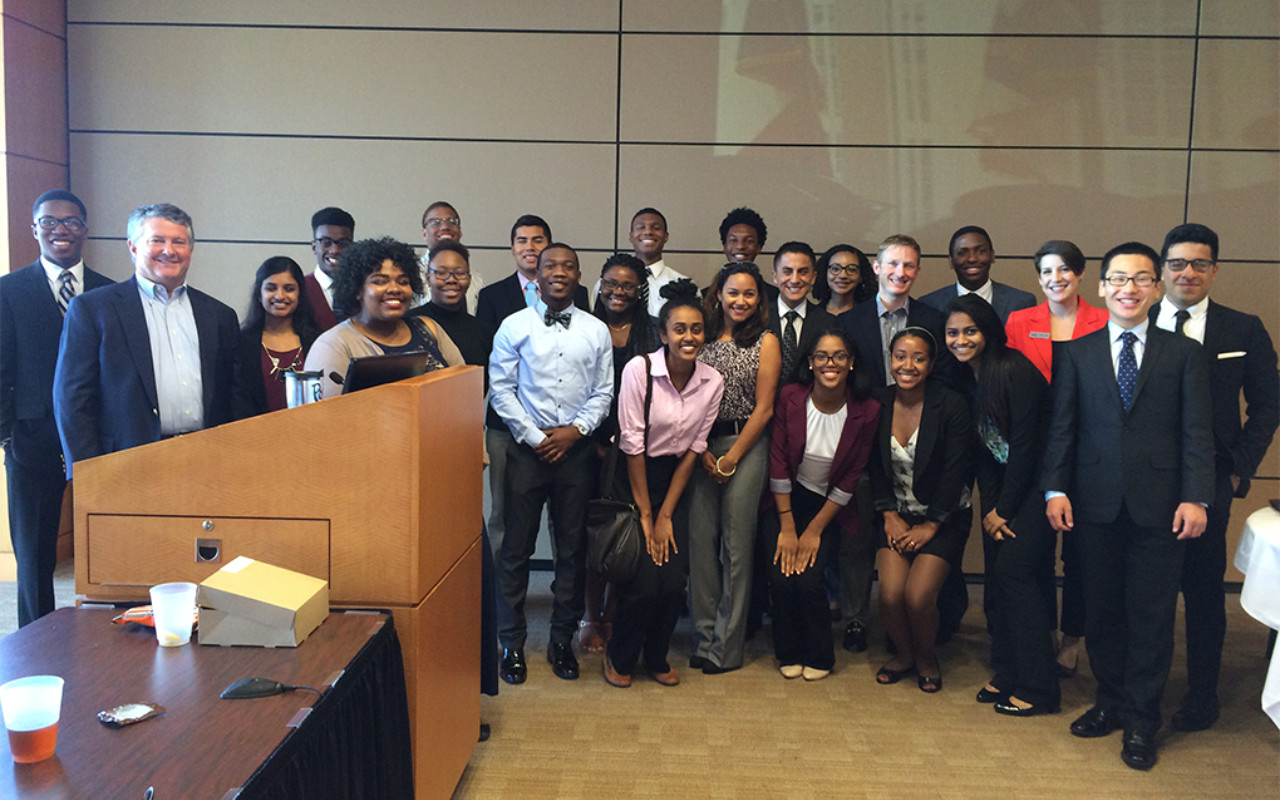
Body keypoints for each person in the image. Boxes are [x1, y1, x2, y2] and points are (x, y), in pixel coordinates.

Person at [1043, 241, 1213, 771]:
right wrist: (1055, 489)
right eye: (1118, 278)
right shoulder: (1077, 351)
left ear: (1156, 288)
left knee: (1152, 618)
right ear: (1101, 287)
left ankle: (1142, 721)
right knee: (1103, 614)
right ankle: (1109, 703)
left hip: (1162, 508)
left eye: (1141, 279)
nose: (1129, 289)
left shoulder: (1183, 353)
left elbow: (1196, 432)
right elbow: (1063, 429)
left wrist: (1195, 495)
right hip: (1092, 505)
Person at [1152, 223, 1278, 732]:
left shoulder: (1243, 328)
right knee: (1149, 593)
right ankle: (1143, 690)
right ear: (1161, 269)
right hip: (1147, 483)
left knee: (1204, 594)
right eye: (1177, 263)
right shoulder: (1139, 320)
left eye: (1199, 264)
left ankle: (1202, 695)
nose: (1187, 273)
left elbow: (1268, 406)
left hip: (1212, 484)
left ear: (1215, 270)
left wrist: (1238, 471)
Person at [489, 243, 613, 684]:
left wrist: (576, 431)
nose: (558, 272)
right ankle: (511, 642)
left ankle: (562, 640)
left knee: (573, 551)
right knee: (516, 551)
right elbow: (501, 389)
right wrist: (536, 436)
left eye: (567, 266)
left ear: (579, 275)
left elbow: (603, 391)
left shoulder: (596, 330)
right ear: (535, 275)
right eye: (549, 266)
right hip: (527, 451)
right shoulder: (513, 325)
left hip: (576, 453)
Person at [53, 203, 245, 477]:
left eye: (178, 241)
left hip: (208, 464)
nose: (168, 250)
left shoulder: (219, 315)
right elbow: (72, 401)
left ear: (190, 250)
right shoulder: (94, 309)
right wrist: (87, 474)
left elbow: (235, 400)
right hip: (123, 468)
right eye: (157, 240)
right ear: (133, 247)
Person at [603, 280, 723, 688]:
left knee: (672, 582)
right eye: (679, 329)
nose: (688, 337)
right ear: (663, 334)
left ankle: (655, 657)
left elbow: (694, 448)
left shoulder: (712, 381)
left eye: (696, 329)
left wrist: (667, 513)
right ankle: (619, 656)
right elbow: (632, 442)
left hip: (675, 480)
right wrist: (646, 516)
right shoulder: (640, 370)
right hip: (632, 477)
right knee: (642, 582)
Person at [0, 190, 112, 626]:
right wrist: (7, 432)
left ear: (85, 229)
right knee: (34, 556)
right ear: (34, 229)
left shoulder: (109, 291)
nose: (59, 230)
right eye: (49, 222)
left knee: (107, 544)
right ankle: (35, 640)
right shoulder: (7, 291)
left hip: (97, 437)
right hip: (32, 437)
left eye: (70, 222)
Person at [945, 295, 1058, 716]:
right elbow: (986, 453)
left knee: (1015, 574)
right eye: (953, 333)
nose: (961, 340)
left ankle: (1041, 688)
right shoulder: (967, 379)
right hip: (1005, 493)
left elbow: (1028, 449)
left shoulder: (1014, 370)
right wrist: (990, 507)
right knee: (1000, 579)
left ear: (990, 331)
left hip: (1039, 488)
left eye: (970, 331)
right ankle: (1009, 671)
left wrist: (1005, 510)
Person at [1004, 239, 1108, 677]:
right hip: (1034, 449)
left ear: (1081, 274)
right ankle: (1041, 629)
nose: (1056, 279)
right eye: (1047, 271)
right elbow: (1008, 386)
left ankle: (1073, 636)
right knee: (1036, 548)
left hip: (1091, 450)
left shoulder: (1104, 320)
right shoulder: (1019, 321)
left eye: (1065, 269)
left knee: (1080, 554)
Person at [476, 215, 589, 579]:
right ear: (512, 249)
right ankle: (497, 597)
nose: (529, 246)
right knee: (504, 516)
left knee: (565, 522)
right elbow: (494, 365)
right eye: (521, 240)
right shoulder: (493, 296)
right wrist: (529, 431)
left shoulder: (579, 295)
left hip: (563, 429)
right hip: (506, 427)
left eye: (537, 240)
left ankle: (564, 592)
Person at [767, 329, 879, 680]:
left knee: (811, 579)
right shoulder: (791, 396)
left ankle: (819, 655)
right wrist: (788, 525)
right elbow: (779, 461)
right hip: (785, 498)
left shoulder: (868, 410)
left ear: (851, 362)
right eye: (822, 356)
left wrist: (814, 529)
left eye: (839, 356)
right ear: (810, 362)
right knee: (783, 576)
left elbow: (851, 478)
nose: (830, 364)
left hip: (830, 505)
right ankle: (788, 650)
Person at [687, 261, 781, 674]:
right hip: (699, 447)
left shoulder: (766, 341)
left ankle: (726, 647)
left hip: (746, 446)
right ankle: (703, 636)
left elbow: (764, 409)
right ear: (718, 294)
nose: (740, 300)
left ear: (759, 298)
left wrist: (732, 456)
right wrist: (702, 449)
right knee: (700, 546)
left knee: (737, 549)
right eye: (732, 292)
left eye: (749, 294)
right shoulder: (700, 336)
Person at [869, 328, 973, 694]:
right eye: (900, 356)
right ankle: (905, 655)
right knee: (891, 595)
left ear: (930, 365)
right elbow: (872, 466)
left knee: (918, 596)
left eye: (918, 358)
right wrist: (888, 514)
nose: (907, 365)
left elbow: (956, 471)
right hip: (895, 515)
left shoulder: (952, 404)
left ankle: (927, 657)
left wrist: (932, 524)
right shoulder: (877, 402)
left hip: (943, 518)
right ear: (890, 359)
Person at [580, 253, 662, 654]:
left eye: (628, 285)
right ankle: (589, 615)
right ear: (599, 284)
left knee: (624, 533)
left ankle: (613, 613)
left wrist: (626, 443)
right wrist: (591, 439)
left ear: (640, 290)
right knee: (590, 533)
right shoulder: (583, 326)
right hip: (584, 445)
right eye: (610, 283)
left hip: (633, 449)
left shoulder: (652, 332)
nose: (618, 291)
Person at [303, 237, 463, 399]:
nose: (394, 289)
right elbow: (325, 417)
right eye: (380, 281)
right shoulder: (334, 345)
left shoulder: (430, 329)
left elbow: (464, 388)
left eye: (403, 281)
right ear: (357, 289)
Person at [237, 256, 322, 415]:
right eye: (271, 288)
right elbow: (238, 403)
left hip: (309, 433)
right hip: (257, 435)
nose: (280, 296)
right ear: (259, 294)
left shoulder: (317, 341)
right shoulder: (241, 343)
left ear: (300, 295)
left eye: (289, 289)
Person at [407, 240, 494, 371]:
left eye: (459, 273)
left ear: (469, 280)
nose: (451, 280)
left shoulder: (483, 332)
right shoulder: (409, 323)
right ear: (428, 278)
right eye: (441, 273)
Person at [919, 225, 1036, 322]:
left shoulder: (1021, 303)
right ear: (951, 261)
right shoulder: (929, 305)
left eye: (980, 251)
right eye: (962, 253)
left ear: (992, 256)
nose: (972, 259)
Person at [592, 208, 689, 317]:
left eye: (656, 228)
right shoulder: (606, 284)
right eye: (641, 227)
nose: (648, 232)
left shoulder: (682, 285)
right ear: (631, 236)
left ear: (666, 236)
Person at [768, 242, 833, 387]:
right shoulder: (757, 318)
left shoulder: (828, 323)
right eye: (787, 272)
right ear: (775, 277)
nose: (795, 280)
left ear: (813, 277)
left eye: (803, 272)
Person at [420, 201, 484, 313]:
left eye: (451, 222)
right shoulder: (411, 274)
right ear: (424, 233)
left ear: (460, 232)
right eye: (436, 222)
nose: (445, 227)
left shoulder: (476, 279)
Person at [305, 207, 355, 331]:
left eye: (343, 243)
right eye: (326, 242)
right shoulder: (298, 289)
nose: (335, 250)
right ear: (314, 247)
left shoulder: (364, 290)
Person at [813, 244, 874, 317]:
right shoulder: (811, 315)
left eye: (851, 269)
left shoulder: (871, 315)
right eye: (835, 269)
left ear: (861, 276)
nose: (843, 276)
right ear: (825, 273)